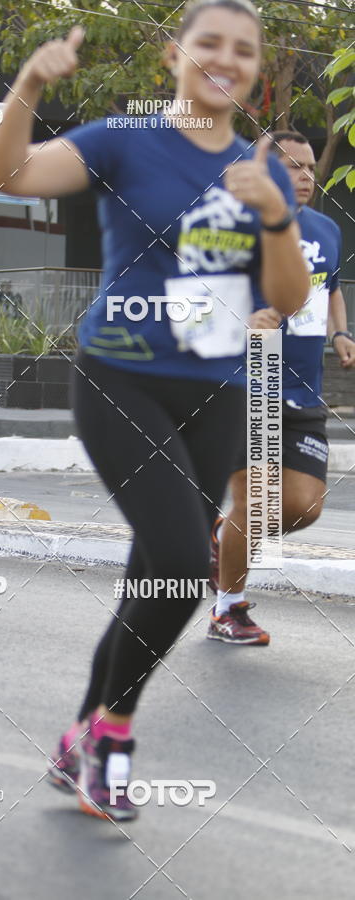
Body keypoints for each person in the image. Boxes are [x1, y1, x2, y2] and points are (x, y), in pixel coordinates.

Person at [0, 0, 309, 822]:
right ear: (175, 54)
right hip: (119, 376)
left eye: (244, 49)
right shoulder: (122, 140)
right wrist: (28, 82)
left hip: (219, 389)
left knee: (160, 573)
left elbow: (287, 294)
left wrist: (273, 213)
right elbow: (6, 176)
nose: (225, 59)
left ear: (256, 69)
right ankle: (112, 735)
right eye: (209, 43)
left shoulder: (261, 166)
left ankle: (79, 737)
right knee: (178, 556)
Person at [208, 129, 355, 645]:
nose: (306, 177)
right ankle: (229, 608)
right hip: (251, 376)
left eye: (311, 167)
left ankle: (225, 541)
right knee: (257, 499)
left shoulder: (326, 230)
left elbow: (331, 288)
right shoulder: (236, 227)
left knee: (304, 506)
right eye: (292, 166)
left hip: (305, 385)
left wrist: (340, 330)